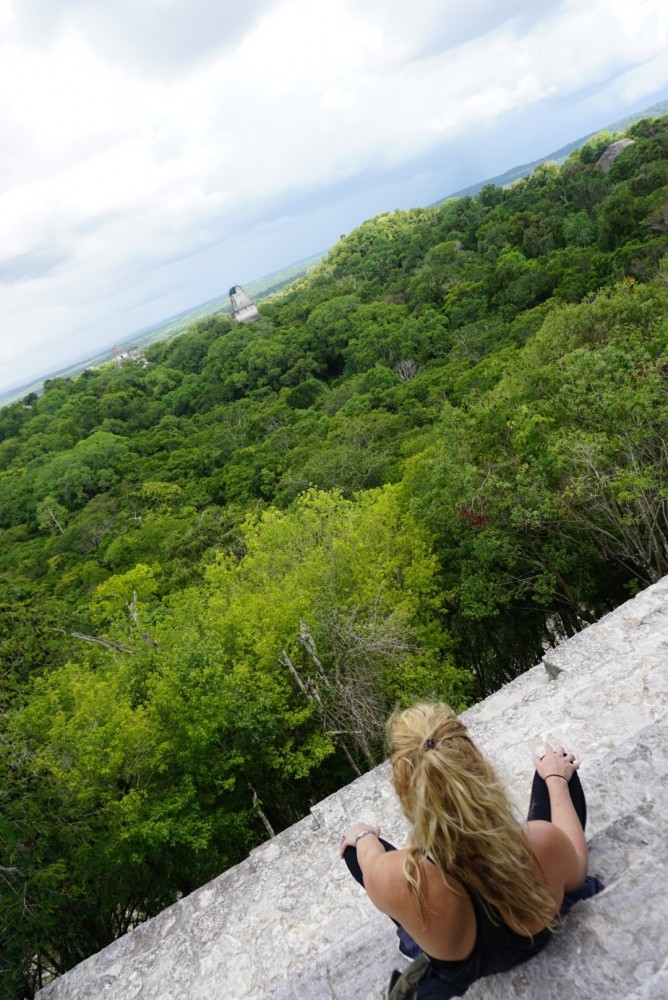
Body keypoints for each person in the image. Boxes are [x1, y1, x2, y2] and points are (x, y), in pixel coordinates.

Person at [339, 703, 603, 998]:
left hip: (454, 960)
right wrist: (555, 781)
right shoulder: (541, 842)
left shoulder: (398, 879)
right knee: (554, 767)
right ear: (477, 761)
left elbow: (366, 857)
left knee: (355, 852)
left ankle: (414, 941)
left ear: (405, 793)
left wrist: (363, 834)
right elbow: (579, 869)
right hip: (530, 907)